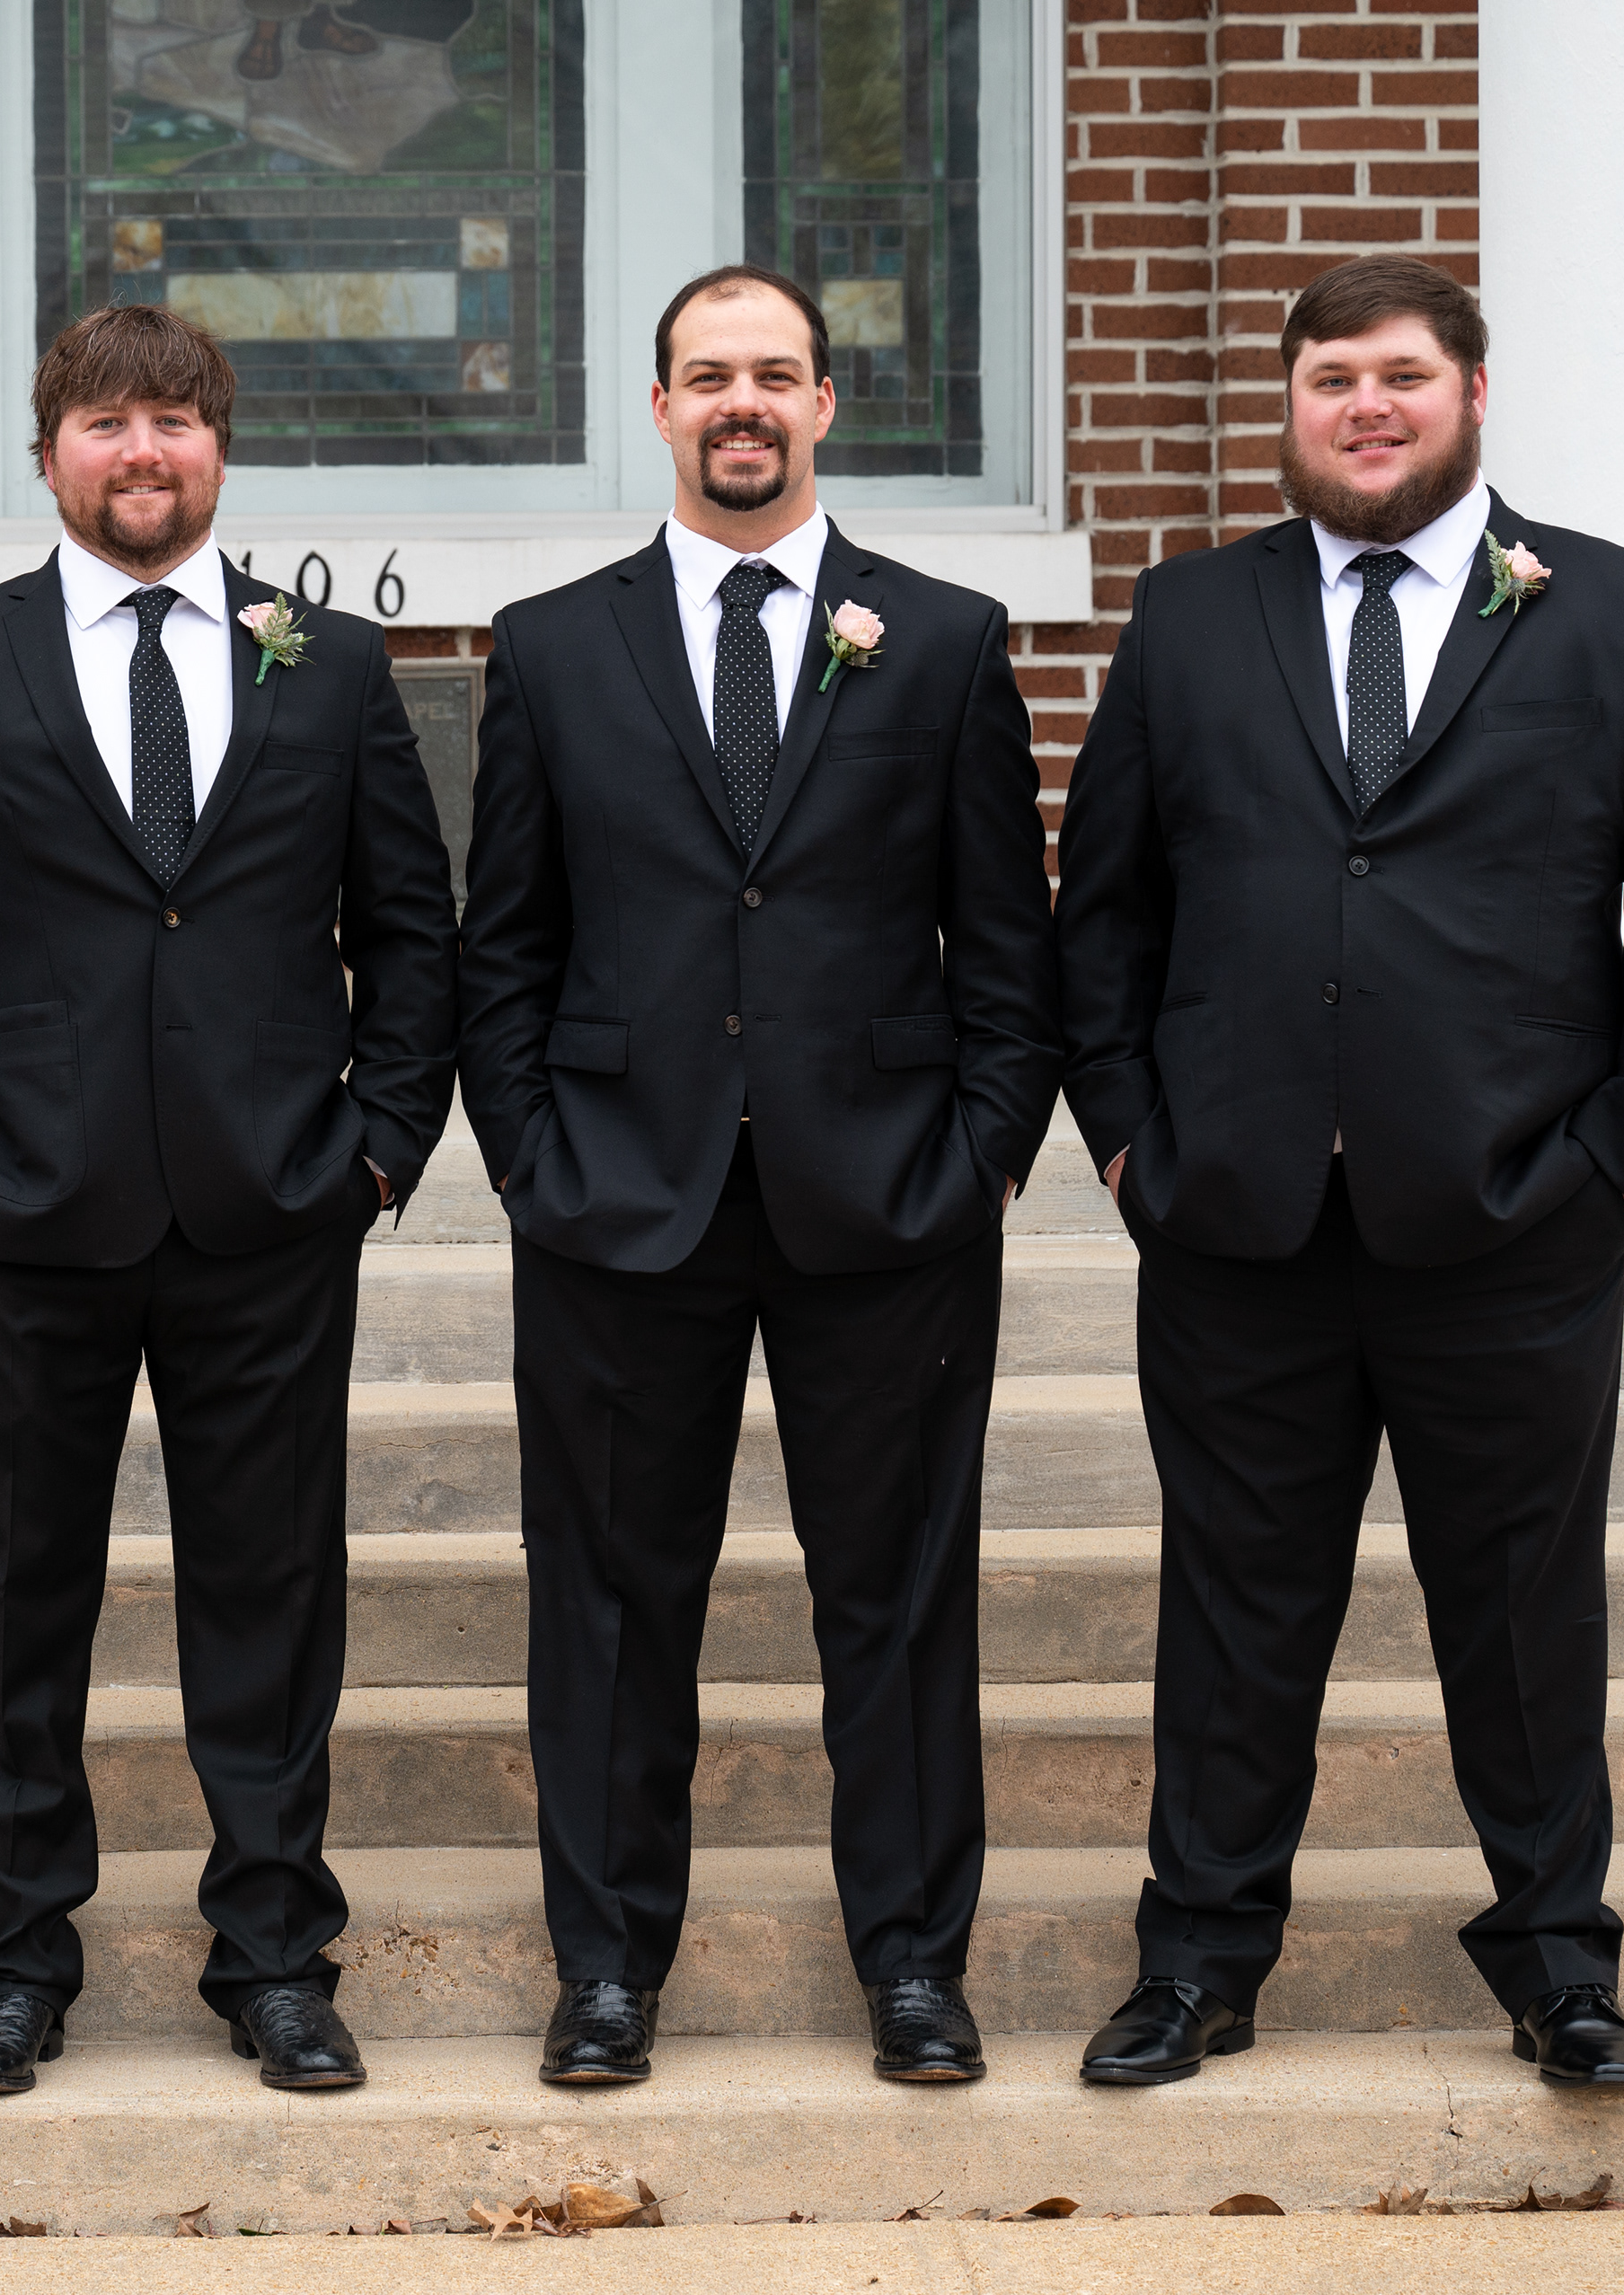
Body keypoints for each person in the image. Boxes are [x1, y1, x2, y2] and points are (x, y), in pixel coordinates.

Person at [1054, 252, 1624, 2090]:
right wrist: (1132, 1145)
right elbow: (1106, 910)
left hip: (1517, 1223)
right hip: (1239, 1225)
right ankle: (1198, 1961)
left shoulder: (1623, 612)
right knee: (1234, 1612)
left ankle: (1560, 1968)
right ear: (1291, 407)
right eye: (1329, 381)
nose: (1364, 408)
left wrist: (1621, 1176)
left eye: (1400, 376)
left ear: (1471, 394)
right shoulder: (1189, 616)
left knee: (1524, 1617)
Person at [0, 303, 457, 2096]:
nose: (142, 450)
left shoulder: (328, 666)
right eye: (105, 420)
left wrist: (378, 1145)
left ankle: (273, 1958)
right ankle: (16, 1961)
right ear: (50, 454)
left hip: (273, 1210)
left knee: (271, 1600)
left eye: (175, 419)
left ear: (218, 451)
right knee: (17, 1603)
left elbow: (411, 929)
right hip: (24, 1213)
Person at [455, 265, 1064, 2088]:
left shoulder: (941, 639)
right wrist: (535, 1160)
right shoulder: (550, 647)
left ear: (823, 405)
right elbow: (507, 944)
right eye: (710, 375)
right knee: (609, 1606)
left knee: (898, 1600)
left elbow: (1007, 946)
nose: (744, 402)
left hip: (886, 1205)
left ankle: (914, 1967)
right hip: (616, 1203)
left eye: (775, 374)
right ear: (659, 408)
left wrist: (978, 1159)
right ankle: (607, 1971)